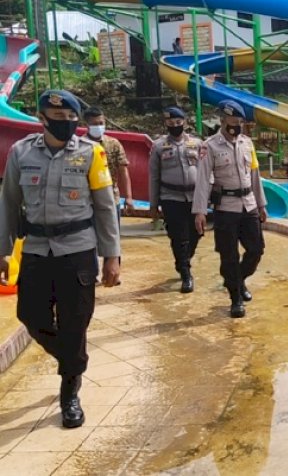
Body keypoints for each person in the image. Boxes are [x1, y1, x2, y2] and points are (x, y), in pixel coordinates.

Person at [0, 90, 121, 428]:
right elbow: (8, 203)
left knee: (74, 321)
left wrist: (111, 255)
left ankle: (70, 392)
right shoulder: (21, 153)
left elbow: (105, 207)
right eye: (59, 119)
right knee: (30, 314)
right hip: (37, 249)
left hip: (78, 251)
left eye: (71, 119)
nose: (67, 124)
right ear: (42, 119)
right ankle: (73, 359)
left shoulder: (90, 153)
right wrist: (3, 251)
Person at [193, 100, 267, 318]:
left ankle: (237, 279)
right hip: (226, 207)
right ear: (223, 120)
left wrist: (262, 204)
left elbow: (255, 175)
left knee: (256, 250)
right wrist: (199, 211)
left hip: (249, 205)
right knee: (229, 255)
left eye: (240, 122)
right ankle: (235, 298)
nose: (236, 126)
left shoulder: (247, 144)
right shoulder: (210, 146)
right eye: (233, 122)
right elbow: (203, 181)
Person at [149, 106, 203, 293]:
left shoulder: (197, 144)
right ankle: (186, 274)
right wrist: (154, 204)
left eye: (178, 123)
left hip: (195, 196)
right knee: (178, 236)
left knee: (197, 232)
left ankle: (183, 260)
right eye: (171, 124)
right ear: (166, 124)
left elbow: (205, 172)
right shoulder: (158, 146)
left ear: (185, 123)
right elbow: (154, 176)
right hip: (171, 197)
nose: (175, 126)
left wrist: (209, 194)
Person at [83, 106, 133, 218]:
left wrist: (128, 197)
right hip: (87, 200)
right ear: (87, 125)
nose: (99, 126)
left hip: (111, 197)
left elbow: (123, 171)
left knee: (112, 233)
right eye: (95, 124)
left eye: (101, 123)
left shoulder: (113, 144)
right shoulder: (80, 146)